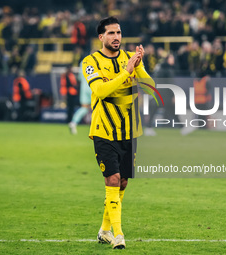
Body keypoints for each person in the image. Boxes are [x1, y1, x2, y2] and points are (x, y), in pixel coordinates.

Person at [82, 16, 154, 249]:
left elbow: (150, 87)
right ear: (101, 37)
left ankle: (104, 230)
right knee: (111, 179)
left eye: (119, 33)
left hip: (129, 132)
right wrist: (126, 72)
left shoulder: (129, 58)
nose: (117, 37)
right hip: (103, 131)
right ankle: (119, 235)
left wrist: (139, 65)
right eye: (111, 33)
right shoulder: (90, 62)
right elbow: (101, 91)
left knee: (121, 182)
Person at [68, 61, 92, 134]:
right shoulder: (97, 60)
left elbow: (79, 78)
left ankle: (73, 122)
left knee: (84, 108)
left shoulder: (83, 62)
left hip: (83, 87)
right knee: (99, 106)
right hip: (92, 86)